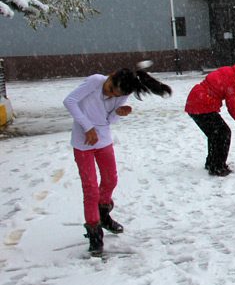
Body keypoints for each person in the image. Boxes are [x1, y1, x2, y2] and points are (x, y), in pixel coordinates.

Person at [63, 68, 172, 256]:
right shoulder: (95, 81)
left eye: (116, 94)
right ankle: (94, 232)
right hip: (83, 142)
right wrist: (88, 127)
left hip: (103, 139)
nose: (110, 94)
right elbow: (69, 101)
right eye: (111, 88)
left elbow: (108, 119)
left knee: (110, 180)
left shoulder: (121, 94)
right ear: (111, 76)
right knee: (90, 189)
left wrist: (118, 113)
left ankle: (103, 214)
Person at [185, 59, 235, 176]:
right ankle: (217, 167)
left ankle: (212, 162)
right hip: (202, 105)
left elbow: (220, 83)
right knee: (224, 133)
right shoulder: (232, 83)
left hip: (195, 101)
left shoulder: (228, 70)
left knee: (215, 134)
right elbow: (232, 108)